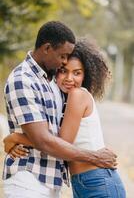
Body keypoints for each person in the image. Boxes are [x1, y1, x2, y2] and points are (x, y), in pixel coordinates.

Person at [3, 21, 117, 198]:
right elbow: (45, 140)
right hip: (29, 180)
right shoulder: (23, 80)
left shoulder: (62, 88)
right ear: (47, 48)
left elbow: (58, 139)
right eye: (63, 60)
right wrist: (14, 138)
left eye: (77, 73)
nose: (64, 64)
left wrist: (16, 137)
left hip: (77, 182)